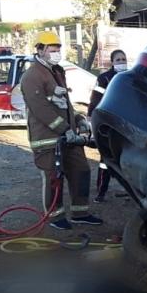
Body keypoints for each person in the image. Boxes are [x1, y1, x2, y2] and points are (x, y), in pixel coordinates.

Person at [20, 31, 103, 230]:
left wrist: (78, 120)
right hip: (47, 139)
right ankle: (55, 217)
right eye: (52, 49)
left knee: (81, 171)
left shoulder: (57, 71)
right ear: (39, 49)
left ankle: (80, 213)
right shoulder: (32, 75)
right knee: (53, 178)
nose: (56, 52)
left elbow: (64, 103)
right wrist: (65, 128)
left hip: (68, 136)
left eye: (58, 48)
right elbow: (40, 108)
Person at [88, 49, 127, 203]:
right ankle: (101, 191)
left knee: (126, 158)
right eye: (118, 60)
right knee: (106, 160)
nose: (121, 62)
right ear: (112, 62)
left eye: (123, 59)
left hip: (126, 125)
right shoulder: (104, 78)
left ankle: (129, 190)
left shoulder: (129, 77)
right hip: (109, 125)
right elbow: (95, 99)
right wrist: (91, 116)